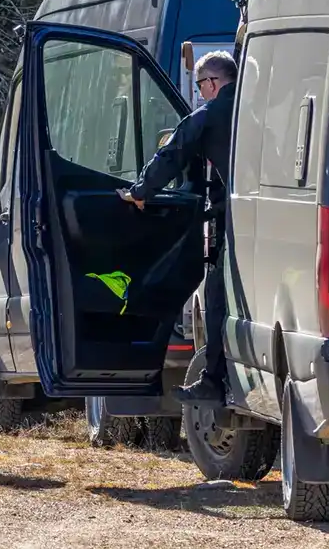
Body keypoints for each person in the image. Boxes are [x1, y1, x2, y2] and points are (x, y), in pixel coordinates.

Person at [118, 50, 237, 406]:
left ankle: (213, 381)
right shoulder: (256, 105)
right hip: (268, 216)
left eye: (201, 86)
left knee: (217, 298)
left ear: (213, 82)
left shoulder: (211, 113)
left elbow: (174, 151)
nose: (200, 93)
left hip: (232, 220)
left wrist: (140, 192)